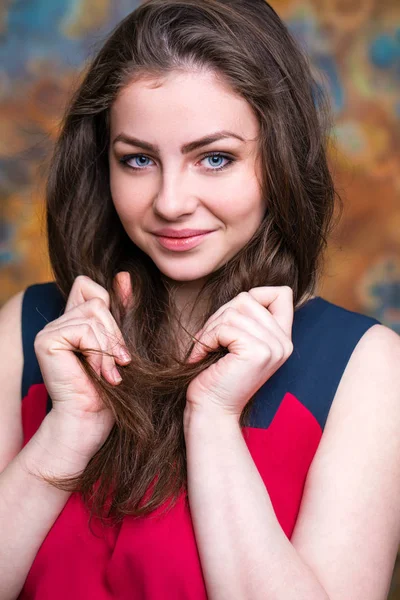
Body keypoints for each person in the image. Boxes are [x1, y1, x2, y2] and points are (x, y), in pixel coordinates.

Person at [1, 0, 399, 598]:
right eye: (137, 160)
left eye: (215, 158)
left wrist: (212, 420)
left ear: (280, 158)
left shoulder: (369, 370)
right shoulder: (28, 330)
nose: (170, 201)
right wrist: (68, 431)